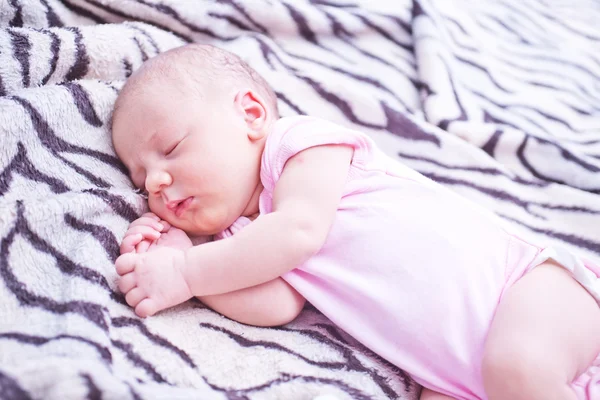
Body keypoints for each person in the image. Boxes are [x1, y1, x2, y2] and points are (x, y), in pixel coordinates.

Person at [110, 44, 600, 400]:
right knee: (506, 376)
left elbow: (298, 233)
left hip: (533, 291)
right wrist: (184, 256)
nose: (155, 181)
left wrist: (186, 273)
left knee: (517, 367)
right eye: (140, 179)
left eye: (170, 148)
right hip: (460, 379)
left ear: (251, 114)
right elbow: (276, 305)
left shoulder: (299, 147)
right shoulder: (241, 239)